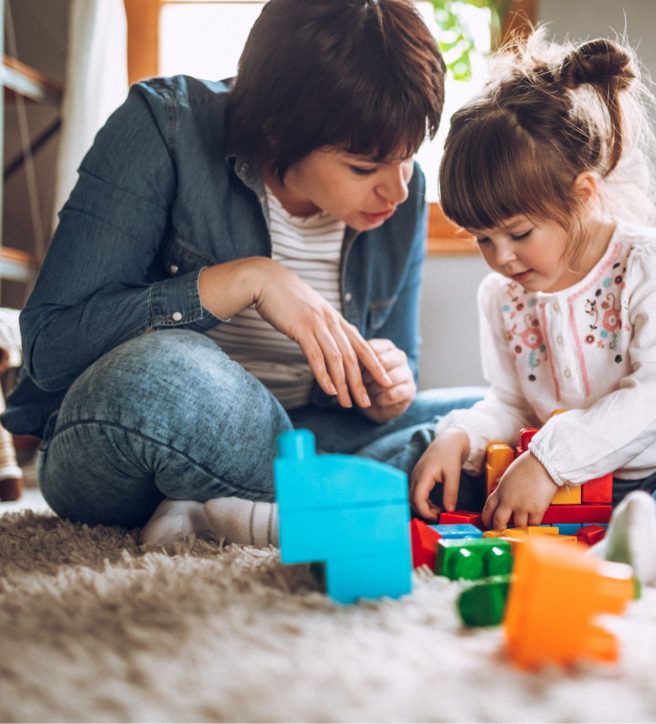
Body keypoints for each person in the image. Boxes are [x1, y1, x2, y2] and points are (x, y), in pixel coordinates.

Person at [0, 0, 481, 545]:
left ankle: (226, 510)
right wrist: (246, 280)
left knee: (484, 419)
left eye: (409, 156)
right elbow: (51, 345)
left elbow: (397, 363)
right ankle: (338, 497)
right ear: (276, 132)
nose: (397, 189)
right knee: (166, 373)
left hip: (310, 432)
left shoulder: (402, 192)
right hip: (143, 429)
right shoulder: (164, 126)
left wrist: (385, 390)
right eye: (364, 168)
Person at [399, 34, 656, 582]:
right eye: (481, 239)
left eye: (518, 232)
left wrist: (549, 461)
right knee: (434, 449)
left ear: (584, 193)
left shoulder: (651, 263)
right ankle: (365, 519)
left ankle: (652, 543)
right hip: (566, 488)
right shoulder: (502, 296)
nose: (501, 258)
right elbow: (511, 403)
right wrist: (462, 437)